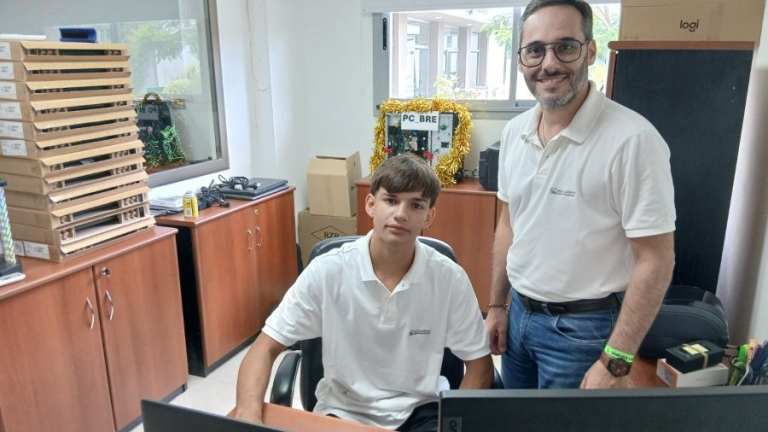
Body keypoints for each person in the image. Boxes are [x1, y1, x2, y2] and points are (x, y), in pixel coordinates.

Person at [486, 0, 676, 390]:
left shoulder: (634, 140)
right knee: (515, 420)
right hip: (519, 317)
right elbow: (508, 223)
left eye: (565, 47)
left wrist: (617, 361)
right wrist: (497, 305)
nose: (549, 63)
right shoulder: (514, 132)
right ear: (521, 60)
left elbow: (656, 259)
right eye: (535, 50)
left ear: (590, 51)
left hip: (585, 333)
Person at [236, 154, 494, 431]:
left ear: (429, 216)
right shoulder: (328, 271)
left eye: (416, 205)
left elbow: (480, 366)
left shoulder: (449, 278)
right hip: (343, 411)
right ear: (371, 204)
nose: (401, 214)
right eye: (391, 200)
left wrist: (452, 424)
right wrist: (248, 416)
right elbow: (264, 347)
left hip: (422, 413)